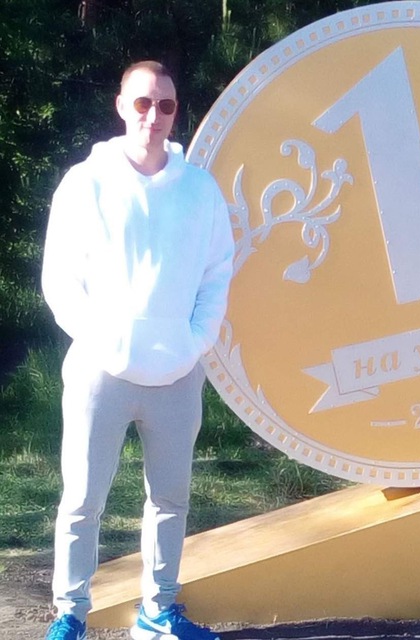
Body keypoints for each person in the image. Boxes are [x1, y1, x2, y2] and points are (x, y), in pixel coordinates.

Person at [41, 60, 235, 640]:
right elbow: (60, 279)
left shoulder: (200, 189)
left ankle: (157, 612)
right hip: (100, 370)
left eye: (166, 105)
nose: (154, 115)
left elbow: (217, 273)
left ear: (176, 112)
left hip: (178, 373)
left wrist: (194, 342)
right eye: (144, 102)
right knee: (82, 500)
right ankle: (70, 615)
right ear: (122, 106)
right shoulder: (85, 183)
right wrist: (102, 341)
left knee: (170, 500)